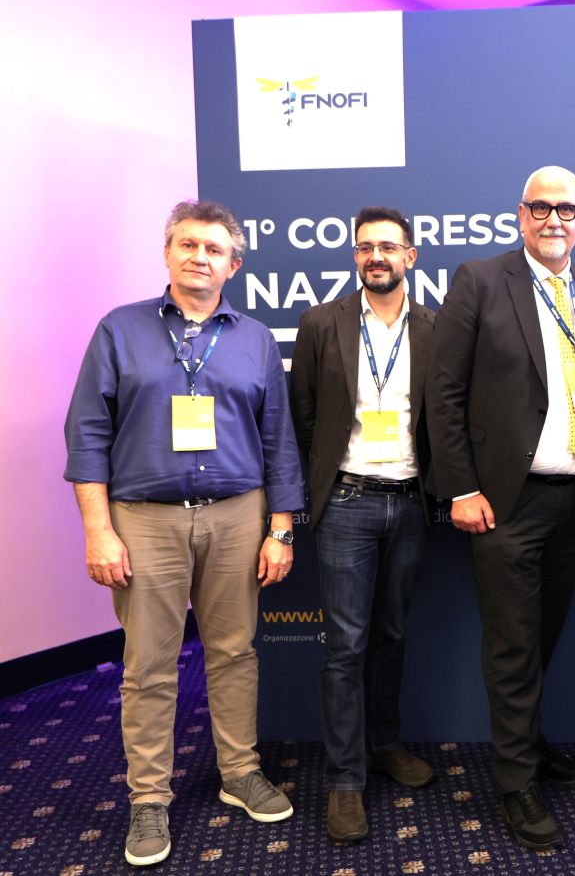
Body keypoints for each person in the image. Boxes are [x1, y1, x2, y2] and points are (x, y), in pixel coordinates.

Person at [64, 200, 302, 867]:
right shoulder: (120, 329)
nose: (200, 257)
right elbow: (87, 433)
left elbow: (278, 437)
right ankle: (148, 799)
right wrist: (98, 531)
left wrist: (281, 528)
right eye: (188, 245)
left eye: (214, 249)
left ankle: (240, 772)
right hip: (146, 519)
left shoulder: (255, 339)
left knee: (233, 652)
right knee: (148, 665)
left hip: (237, 516)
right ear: (167, 253)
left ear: (235, 264)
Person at [426, 166, 575, 850]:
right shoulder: (481, 281)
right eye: (541, 207)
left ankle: (528, 742)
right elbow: (443, 393)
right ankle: (516, 784)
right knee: (512, 645)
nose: (553, 219)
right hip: (506, 502)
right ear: (520, 214)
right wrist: (461, 488)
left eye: (566, 209)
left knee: (542, 637)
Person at [289, 206, 437, 843]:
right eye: (366, 247)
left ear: (410, 256)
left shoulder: (435, 327)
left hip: (411, 501)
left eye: (389, 247)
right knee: (345, 646)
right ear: (355, 256)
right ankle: (345, 779)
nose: (377, 256)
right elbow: (302, 417)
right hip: (347, 502)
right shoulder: (321, 322)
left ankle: (383, 744)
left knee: (392, 633)